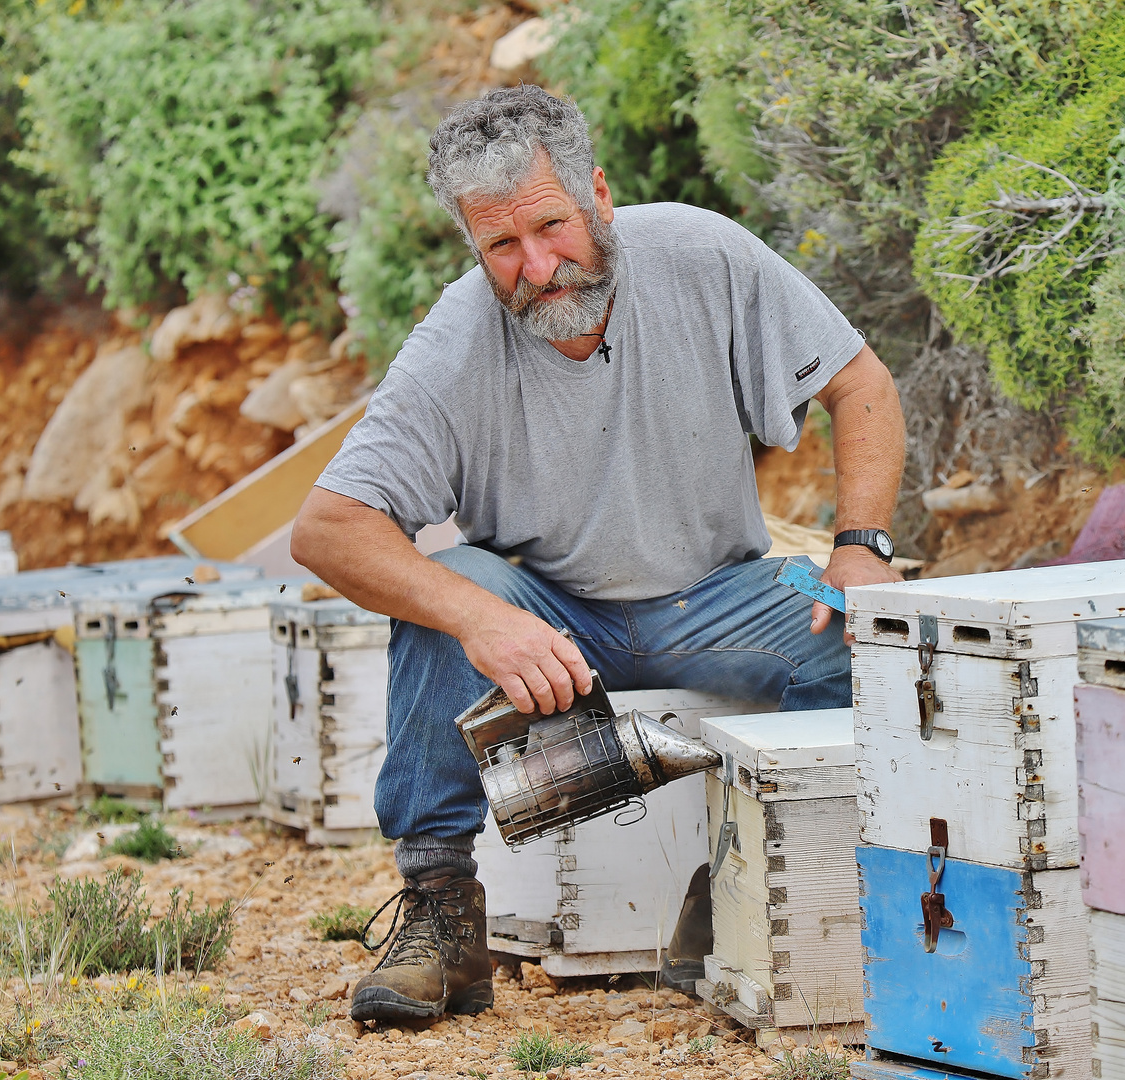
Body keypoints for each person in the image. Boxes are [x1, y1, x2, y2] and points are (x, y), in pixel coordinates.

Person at [291, 85, 906, 1023]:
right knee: (444, 587)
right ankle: (442, 913)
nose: (538, 266)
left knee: (880, 645)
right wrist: (481, 618)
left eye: (552, 226)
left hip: (718, 595)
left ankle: (752, 889)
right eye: (502, 246)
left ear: (599, 196)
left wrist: (861, 546)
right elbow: (327, 528)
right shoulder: (453, 343)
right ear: (472, 246)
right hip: (549, 620)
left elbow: (861, 385)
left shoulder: (706, 256)